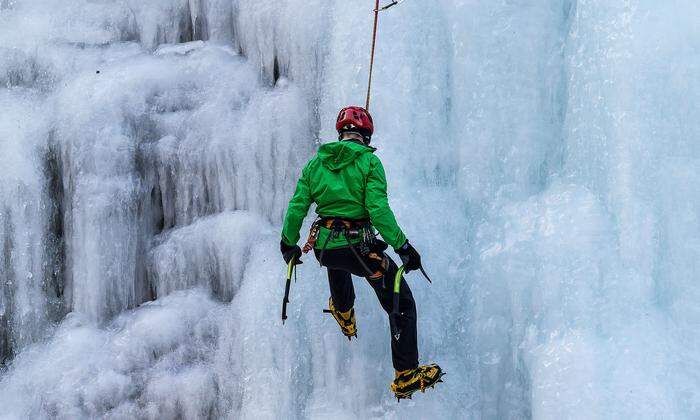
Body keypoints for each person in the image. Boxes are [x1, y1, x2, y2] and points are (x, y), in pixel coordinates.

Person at [280, 106, 443, 400]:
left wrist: (287, 243)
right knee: (402, 303)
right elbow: (377, 210)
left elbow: (297, 206)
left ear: (340, 134)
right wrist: (403, 246)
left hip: (324, 248)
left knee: (336, 260)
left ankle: (343, 311)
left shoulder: (315, 165)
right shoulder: (369, 162)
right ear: (366, 136)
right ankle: (406, 374)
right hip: (359, 247)